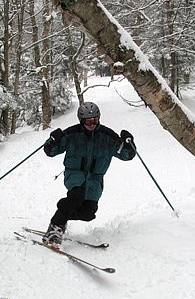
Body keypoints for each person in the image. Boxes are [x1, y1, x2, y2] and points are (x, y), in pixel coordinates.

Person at [42, 102, 136, 246]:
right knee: (76, 195)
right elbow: (51, 151)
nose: (92, 124)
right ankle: (55, 228)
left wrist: (129, 143)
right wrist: (53, 140)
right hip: (74, 175)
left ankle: (63, 216)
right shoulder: (72, 134)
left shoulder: (107, 137)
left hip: (95, 180)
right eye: (88, 121)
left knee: (88, 214)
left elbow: (127, 155)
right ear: (81, 120)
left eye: (95, 120)